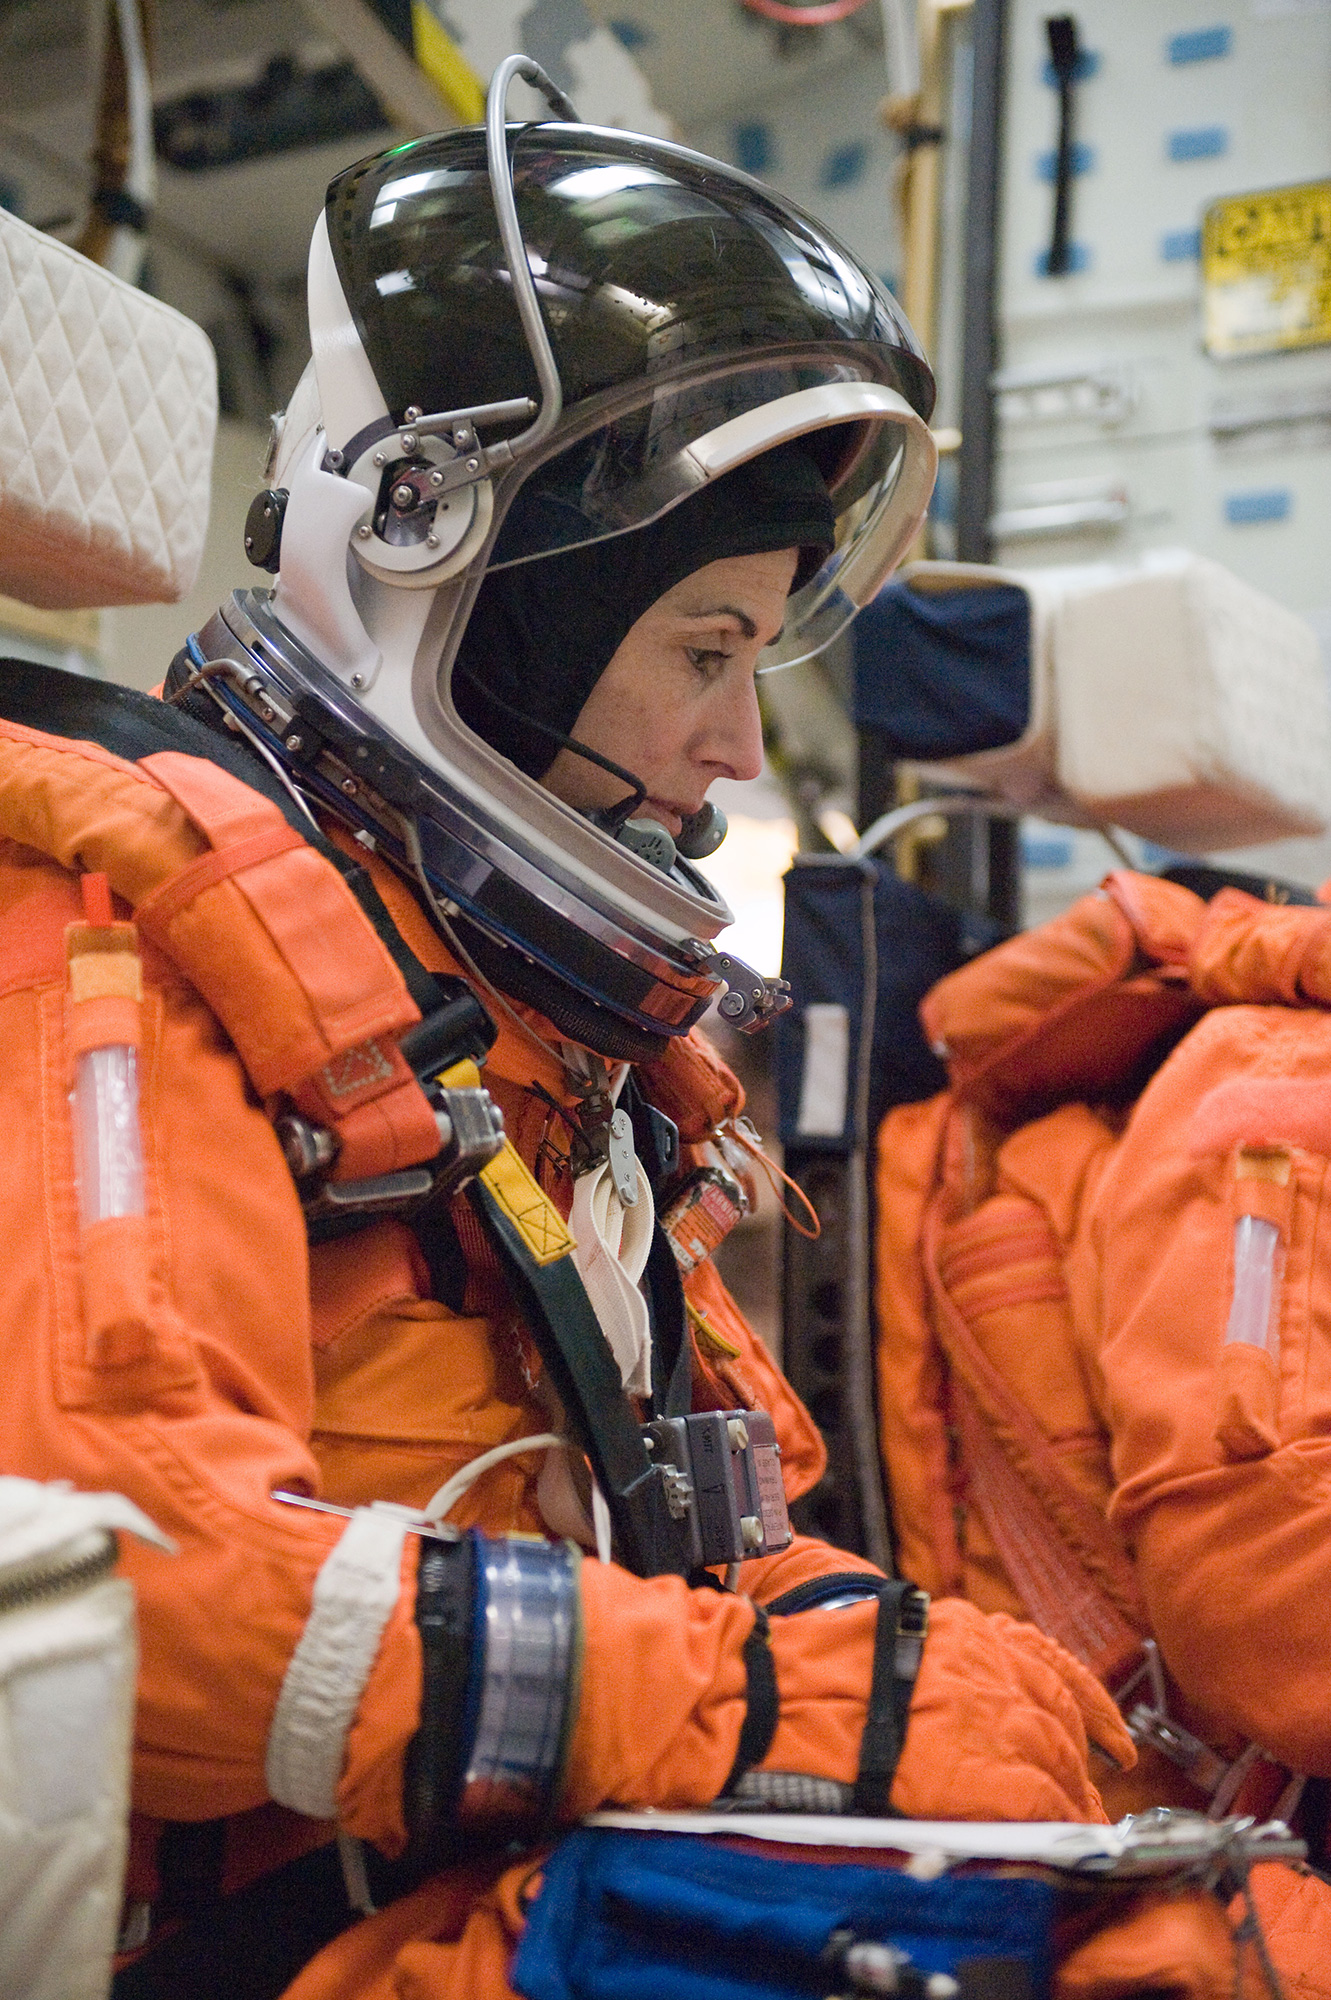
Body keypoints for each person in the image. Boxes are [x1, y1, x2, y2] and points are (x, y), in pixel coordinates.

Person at [0, 64, 1134, 2000]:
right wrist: (768, 1699)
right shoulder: (99, 936)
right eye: (704, 649)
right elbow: (138, 1577)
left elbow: (712, 1504)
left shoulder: (518, 1048)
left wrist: (897, 1652)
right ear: (470, 585)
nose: (727, 750)